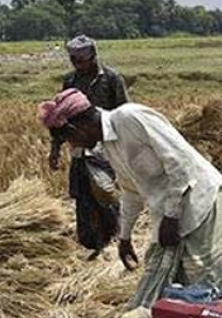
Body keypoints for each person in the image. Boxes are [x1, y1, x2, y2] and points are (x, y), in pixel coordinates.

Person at [39, 89, 222, 310]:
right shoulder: (109, 146)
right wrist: (125, 238)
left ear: (76, 127)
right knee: (172, 283)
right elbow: (131, 191)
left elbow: (180, 163)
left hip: (200, 204)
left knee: (209, 281)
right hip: (169, 214)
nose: (74, 146)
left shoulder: (130, 118)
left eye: (71, 139)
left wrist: (171, 216)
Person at [50, 35, 130, 259]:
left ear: (93, 57)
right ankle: (89, 244)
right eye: (73, 60)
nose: (77, 64)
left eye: (81, 60)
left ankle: (115, 241)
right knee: (82, 195)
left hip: (106, 147)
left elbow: (124, 114)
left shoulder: (112, 79)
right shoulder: (70, 82)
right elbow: (61, 118)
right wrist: (55, 148)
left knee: (106, 194)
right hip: (79, 146)